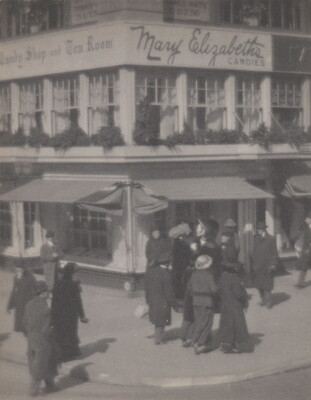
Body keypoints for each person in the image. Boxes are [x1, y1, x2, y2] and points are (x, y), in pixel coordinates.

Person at [23, 281, 59, 397]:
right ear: (43, 293)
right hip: (43, 341)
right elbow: (47, 328)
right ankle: (33, 391)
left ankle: (51, 386)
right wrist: (54, 330)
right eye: (47, 291)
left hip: (31, 338)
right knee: (42, 363)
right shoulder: (46, 308)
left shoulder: (29, 304)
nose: (48, 294)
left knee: (42, 362)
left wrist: (30, 333)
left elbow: (24, 322)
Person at [51, 262, 88, 362]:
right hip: (70, 315)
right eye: (76, 273)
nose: (77, 275)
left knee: (62, 334)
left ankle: (64, 355)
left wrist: (52, 316)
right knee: (70, 334)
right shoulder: (73, 285)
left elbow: (54, 301)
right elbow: (78, 302)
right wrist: (82, 316)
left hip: (60, 315)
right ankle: (68, 354)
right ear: (71, 273)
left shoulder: (58, 283)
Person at [144, 252, 177, 345]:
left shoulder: (153, 271)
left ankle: (156, 335)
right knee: (161, 321)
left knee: (157, 319)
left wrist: (147, 299)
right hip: (163, 302)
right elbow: (169, 292)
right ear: (167, 263)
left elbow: (147, 286)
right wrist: (174, 304)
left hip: (153, 300)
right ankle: (158, 340)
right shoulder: (166, 275)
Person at [219, 260, 251, 354]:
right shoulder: (235, 279)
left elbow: (218, 290)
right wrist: (244, 295)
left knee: (226, 326)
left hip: (225, 305)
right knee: (237, 326)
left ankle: (225, 345)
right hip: (235, 306)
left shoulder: (222, 278)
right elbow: (238, 294)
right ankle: (235, 346)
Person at [186, 255, 217, 355]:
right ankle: (199, 342)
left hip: (196, 301)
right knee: (207, 322)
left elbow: (189, 288)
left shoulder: (193, 275)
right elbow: (214, 290)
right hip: (207, 301)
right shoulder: (209, 275)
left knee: (198, 320)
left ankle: (196, 339)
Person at [251, 221, 278, 309]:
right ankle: (263, 299)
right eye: (257, 229)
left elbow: (274, 253)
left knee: (267, 285)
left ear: (264, 229)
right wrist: (253, 263)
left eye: (259, 229)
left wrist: (273, 264)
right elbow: (254, 251)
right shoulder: (256, 238)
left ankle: (268, 302)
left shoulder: (271, 239)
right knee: (259, 284)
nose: (258, 231)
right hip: (258, 265)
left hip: (267, 265)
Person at [7, 261, 37, 334]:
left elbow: (34, 287)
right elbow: (14, 290)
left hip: (27, 298)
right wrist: (10, 305)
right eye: (17, 270)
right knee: (19, 314)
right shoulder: (16, 277)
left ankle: (26, 328)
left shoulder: (30, 276)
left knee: (26, 314)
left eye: (20, 270)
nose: (18, 271)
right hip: (19, 298)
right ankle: (20, 327)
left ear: (23, 269)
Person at [295, 214, 311, 288]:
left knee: (305, 265)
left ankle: (300, 282)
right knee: (304, 265)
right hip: (307, 249)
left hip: (307, 249)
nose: (306, 220)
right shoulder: (306, 228)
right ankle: (300, 282)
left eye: (308, 219)